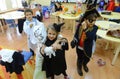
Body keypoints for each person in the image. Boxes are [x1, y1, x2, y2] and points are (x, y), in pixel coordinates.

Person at [70, 4, 100, 76]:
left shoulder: (95, 28)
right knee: (80, 58)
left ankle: (84, 64)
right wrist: (74, 41)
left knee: (87, 59)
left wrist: (85, 29)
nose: (92, 23)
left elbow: (91, 37)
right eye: (90, 20)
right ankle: (79, 67)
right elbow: (76, 35)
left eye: (94, 21)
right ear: (85, 19)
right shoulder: (80, 26)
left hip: (88, 47)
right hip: (80, 47)